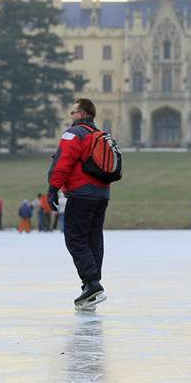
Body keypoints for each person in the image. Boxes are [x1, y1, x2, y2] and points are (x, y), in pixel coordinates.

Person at [47, 97, 113, 309]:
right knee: (94, 239)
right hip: (102, 194)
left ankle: (92, 283)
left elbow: (62, 161)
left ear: (83, 113)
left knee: (75, 238)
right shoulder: (100, 135)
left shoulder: (73, 134)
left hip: (81, 194)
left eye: (74, 112)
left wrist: (53, 187)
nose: (71, 115)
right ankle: (90, 286)